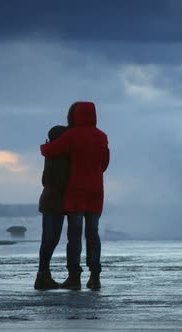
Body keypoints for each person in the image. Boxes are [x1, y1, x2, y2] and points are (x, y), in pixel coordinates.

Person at [40, 101, 109, 290]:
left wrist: (43, 147)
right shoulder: (102, 136)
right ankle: (94, 276)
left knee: (75, 235)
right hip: (96, 192)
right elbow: (104, 163)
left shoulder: (72, 135)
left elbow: (50, 151)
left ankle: (74, 277)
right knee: (93, 234)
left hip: (76, 193)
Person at [34, 125, 69, 290]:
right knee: (51, 239)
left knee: (47, 240)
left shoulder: (50, 153)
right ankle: (43, 275)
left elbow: (45, 179)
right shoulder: (59, 155)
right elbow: (61, 180)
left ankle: (43, 275)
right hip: (55, 202)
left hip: (48, 201)